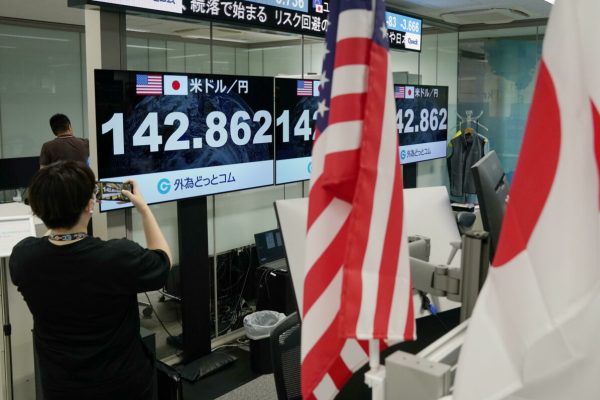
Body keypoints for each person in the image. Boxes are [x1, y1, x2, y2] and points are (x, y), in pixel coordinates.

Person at [9, 161, 172, 400]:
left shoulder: (23, 257)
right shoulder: (117, 256)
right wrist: (144, 209)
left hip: (61, 386)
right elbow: (163, 261)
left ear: (37, 208)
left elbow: (49, 240)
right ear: (90, 204)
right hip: (123, 384)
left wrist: (53, 216)